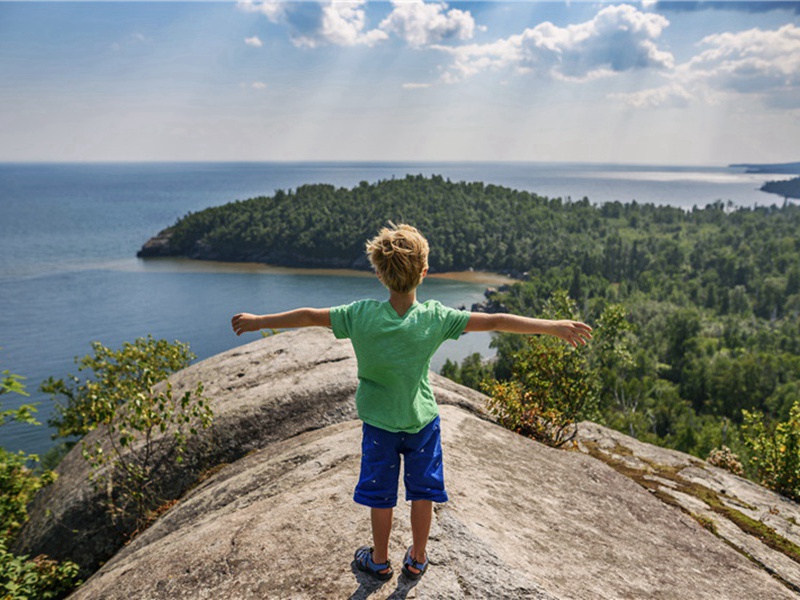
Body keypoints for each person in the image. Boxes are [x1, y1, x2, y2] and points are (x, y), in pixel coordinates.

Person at [231, 223, 592, 582]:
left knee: (380, 494)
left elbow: (309, 315)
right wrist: (552, 326)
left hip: (379, 424)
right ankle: (418, 558)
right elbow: (495, 321)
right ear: (424, 272)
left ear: (378, 274)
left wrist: (259, 321)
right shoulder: (436, 318)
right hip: (422, 421)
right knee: (423, 492)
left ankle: (379, 560)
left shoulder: (359, 315)